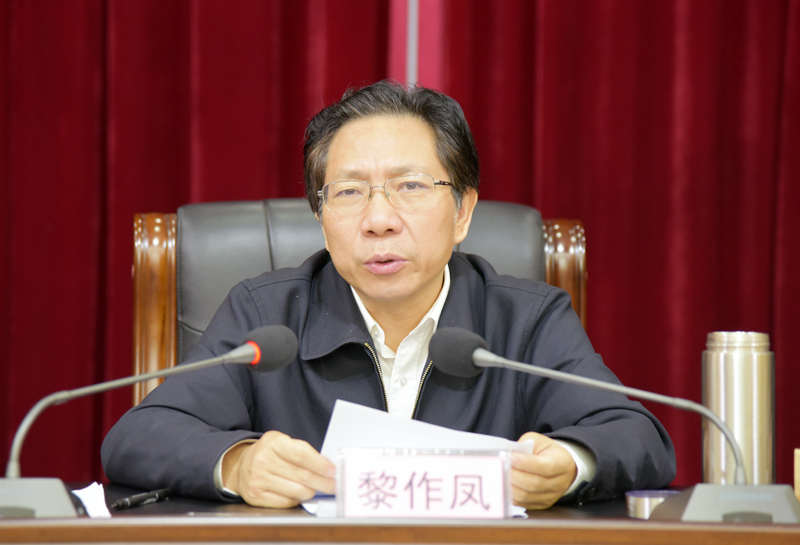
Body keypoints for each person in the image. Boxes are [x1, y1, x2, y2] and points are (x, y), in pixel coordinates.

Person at [102, 81, 675, 510]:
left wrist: (569, 464)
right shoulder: (266, 315)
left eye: (410, 186)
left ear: (462, 212)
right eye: (350, 192)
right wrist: (237, 464)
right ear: (321, 217)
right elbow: (138, 437)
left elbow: (636, 436)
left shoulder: (525, 320)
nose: (379, 220)